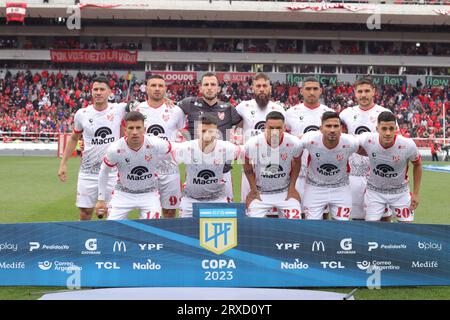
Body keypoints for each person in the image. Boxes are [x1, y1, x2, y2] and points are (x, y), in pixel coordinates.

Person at [58, 76, 127, 220]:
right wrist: (63, 164)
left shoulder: (119, 109)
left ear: (109, 92)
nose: (98, 92)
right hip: (88, 172)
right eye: (95, 89)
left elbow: (146, 105)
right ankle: (84, 241)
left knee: (112, 214)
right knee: (84, 212)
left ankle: (109, 242)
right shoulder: (81, 114)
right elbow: (73, 138)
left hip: (112, 172)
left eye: (102, 89)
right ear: (91, 92)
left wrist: (166, 99)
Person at [178, 72, 242, 202]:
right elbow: (171, 109)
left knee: (226, 211)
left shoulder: (228, 108)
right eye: (206, 84)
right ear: (200, 88)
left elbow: (243, 123)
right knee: (191, 208)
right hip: (195, 169)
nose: (209, 87)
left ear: (218, 88)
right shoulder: (189, 103)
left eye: (213, 84)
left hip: (222, 169)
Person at [95, 111, 172, 220]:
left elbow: (174, 150)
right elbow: (104, 171)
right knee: (111, 228)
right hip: (123, 193)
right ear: (125, 130)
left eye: (138, 128)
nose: (135, 132)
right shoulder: (115, 149)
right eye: (131, 128)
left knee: (152, 230)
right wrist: (101, 199)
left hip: (149, 193)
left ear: (144, 130)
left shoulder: (156, 143)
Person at [339, 77, 394, 221]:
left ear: (374, 92)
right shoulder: (345, 114)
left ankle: (385, 244)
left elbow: (393, 142)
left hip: (378, 174)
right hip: (354, 174)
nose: (363, 95)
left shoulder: (384, 113)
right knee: (357, 218)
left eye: (367, 91)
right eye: (360, 91)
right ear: (355, 93)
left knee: (383, 217)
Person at [134, 75, 186, 218]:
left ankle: (167, 240)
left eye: (160, 86)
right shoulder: (138, 109)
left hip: (170, 169)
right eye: (153, 85)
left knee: (169, 211)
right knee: (148, 212)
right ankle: (147, 240)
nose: (157, 89)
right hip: (146, 169)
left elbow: (185, 132)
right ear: (146, 88)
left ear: (165, 89)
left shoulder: (176, 110)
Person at [172, 114, 241, 218]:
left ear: (216, 131)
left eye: (211, 131)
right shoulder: (186, 147)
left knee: (219, 233)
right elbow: (164, 150)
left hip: (217, 199)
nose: (207, 135)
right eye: (203, 131)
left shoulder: (226, 147)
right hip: (190, 200)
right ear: (197, 131)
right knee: (186, 231)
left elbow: (248, 152)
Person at [358, 111, 422, 222]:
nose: (388, 133)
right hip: (374, 191)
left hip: (400, 192)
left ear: (396, 128)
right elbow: (347, 145)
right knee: (372, 228)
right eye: (384, 129)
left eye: (391, 129)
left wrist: (416, 193)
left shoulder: (408, 145)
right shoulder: (367, 139)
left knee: (407, 228)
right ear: (377, 128)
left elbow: (418, 165)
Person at [285, 76, 333, 217]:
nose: (311, 92)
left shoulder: (328, 113)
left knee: (322, 216)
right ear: (301, 91)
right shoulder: (290, 113)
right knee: (296, 215)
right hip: (297, 174)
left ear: (321, 91)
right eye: (308, 89)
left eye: (315, 89)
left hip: (321, 175)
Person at [235, 73, 286, 204]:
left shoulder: (279, 109)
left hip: (272, 164)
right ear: (252, 88)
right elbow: (232, 128)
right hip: (249, 165)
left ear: (270, 88)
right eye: (258, 86)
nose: (261, 89)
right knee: (249, 205)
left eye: (265, 86)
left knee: (273, 207)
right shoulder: (242, 107)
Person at [300, 111, 359, 220]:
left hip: (340, 187)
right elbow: (291, 147)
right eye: (328, 126)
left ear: (341, 129)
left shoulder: (351, 142)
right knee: (312, 225)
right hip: (315, 187)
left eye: (336, 126)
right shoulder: (309, 139)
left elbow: (370, 152)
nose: (332, 130)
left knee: (343, 225)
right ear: (321, 128)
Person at [244, 111, 302, 219]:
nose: (274, 132)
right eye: (271, 128)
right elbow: (246, 163)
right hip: (261, 193)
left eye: (278, 128)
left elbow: (297, 163)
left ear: (284, 127)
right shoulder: (252, 143)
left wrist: (292, 188)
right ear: (265, 127)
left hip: (285, 192)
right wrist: (253, 189)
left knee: (296, 223)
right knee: (252, 226)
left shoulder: (294, 143)